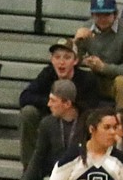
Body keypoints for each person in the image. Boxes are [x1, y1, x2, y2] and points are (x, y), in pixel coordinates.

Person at [17, 38, 99, 167]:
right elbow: (25, 97)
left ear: (75, 60)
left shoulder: (87, 79)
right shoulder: (47, 74)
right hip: (50, 118)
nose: (61, 62)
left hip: (76, 123)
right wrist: (52, 103)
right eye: (57, 57)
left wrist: (69, 107)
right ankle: (29, 169)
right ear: (52, 60)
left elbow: (92, 107)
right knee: (28, 112)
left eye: (67, 57)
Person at [73, 0, 123, 110]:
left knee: (121, 82)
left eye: (106, 14)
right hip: (97, 80)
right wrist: (76, 42)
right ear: (92, 15)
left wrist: (103, 67)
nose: (102, 19)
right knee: (74, 78)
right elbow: (72, 62)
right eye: (98, 15)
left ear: (115, 14)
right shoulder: (86, 29)